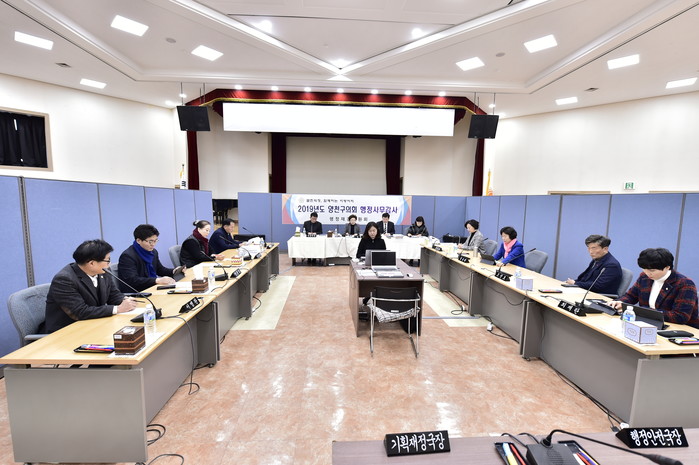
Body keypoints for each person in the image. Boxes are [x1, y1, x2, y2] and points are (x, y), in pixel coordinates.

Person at [45, 239, 138, 333]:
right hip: (67, 331)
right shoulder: (64, 279)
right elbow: (80, 312)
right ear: (92, 263)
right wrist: (118, 309)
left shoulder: (103, 271)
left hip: (94, 324)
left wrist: (126, 300)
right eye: (107, 260)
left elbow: (113, 295)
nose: (109, 264)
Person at [612, 248, 699, 328]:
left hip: (679, 329)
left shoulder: (684, 284)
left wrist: (644, 311)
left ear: (667, 267)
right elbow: (631, 296)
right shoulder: (644, 277)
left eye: (652, 270)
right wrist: (621, 302)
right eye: (644, 269)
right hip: (650, 323)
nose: (647, 273)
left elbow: (680, 316)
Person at [118, 224, 184, 292]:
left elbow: (160, 270)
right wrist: (157, 280)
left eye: (155, 241)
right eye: (150, 241)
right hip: (137, 293)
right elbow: (133, 280)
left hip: (152, 288)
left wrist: (174, 271)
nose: (153, 244)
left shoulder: (153, 252)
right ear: (138, 240)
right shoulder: (128, 256)